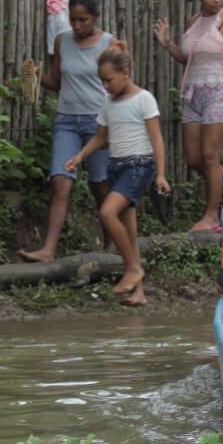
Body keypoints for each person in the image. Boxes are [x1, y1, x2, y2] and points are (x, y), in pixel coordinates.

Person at [64, 42, 169, 307]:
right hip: (117, 167)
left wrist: (161, 174)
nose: (106, 86)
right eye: (102, 81)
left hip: (138, 165)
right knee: (129, 232)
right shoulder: (108, 103)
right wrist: (79, 157)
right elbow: (100, 137)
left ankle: (133, 269)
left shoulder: (143, 98)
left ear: (126, 72)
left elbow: (156, 139)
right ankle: (139, 292)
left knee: (107, 213)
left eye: (109, 80)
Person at [153, 0, 223, 232]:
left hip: (221, 92)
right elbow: (190, 59)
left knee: (210, 155)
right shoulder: (193, 21)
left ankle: (211, 217)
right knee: (194, 159)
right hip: (192, 95)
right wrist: (167, 44)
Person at [17, 0, 113, 262]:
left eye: (83, 20)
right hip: (67, 120)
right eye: (73, 20)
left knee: (101, 186)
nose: (78, 25)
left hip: (99, 123)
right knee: (60, 182)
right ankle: (48, 250)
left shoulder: (110, 44)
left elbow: (118, 86)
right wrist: (37, 75)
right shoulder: (62, 42)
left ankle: (111, 246)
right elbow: (57, 83)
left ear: (95, 17)